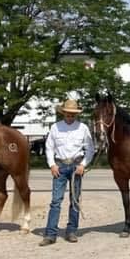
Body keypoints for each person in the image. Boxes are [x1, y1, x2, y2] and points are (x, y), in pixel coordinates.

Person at [41, 98, 95, 246]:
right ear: (63, 113)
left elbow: (90, 149)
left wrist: (83, 164)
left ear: (76, 114)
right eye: (68, 114)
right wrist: (52, 165)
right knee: (56, 201)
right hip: (60, 167)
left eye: (73, 114)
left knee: (75, 200)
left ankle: (71, 231)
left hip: (76, 167)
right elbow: (49, 147)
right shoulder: (55, 127)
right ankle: (50, 234)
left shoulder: (83, 128)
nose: (70, 116)